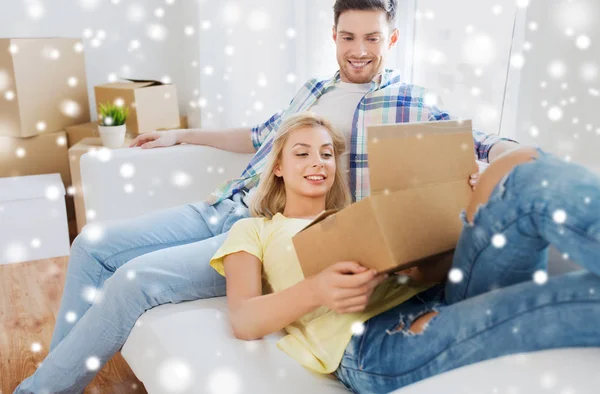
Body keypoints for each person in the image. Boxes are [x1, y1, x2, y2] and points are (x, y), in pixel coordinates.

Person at [15, 0, 519, 392]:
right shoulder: (313, 89)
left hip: (273, 229)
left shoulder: (408, 101)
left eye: (371, 37)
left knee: (136, 281)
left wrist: (503, 150)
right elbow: (261, 136)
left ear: (391, 38)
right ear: (334, 36)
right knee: (90, 245)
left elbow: (466, 139)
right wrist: (184, 135)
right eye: (348, 37)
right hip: (229, 204)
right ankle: (62, 378)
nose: (358, 49)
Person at [212, 112, 600, 394]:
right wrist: (317, 291)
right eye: (302, 154)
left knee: (518, 164)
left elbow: (434, 274)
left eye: (327, 154)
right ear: (277, 166)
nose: (318, 162)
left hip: (442, 295)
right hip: (377, 341)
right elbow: (244, 319)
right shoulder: (254, 229)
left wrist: (469, 203)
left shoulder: (357, 217)